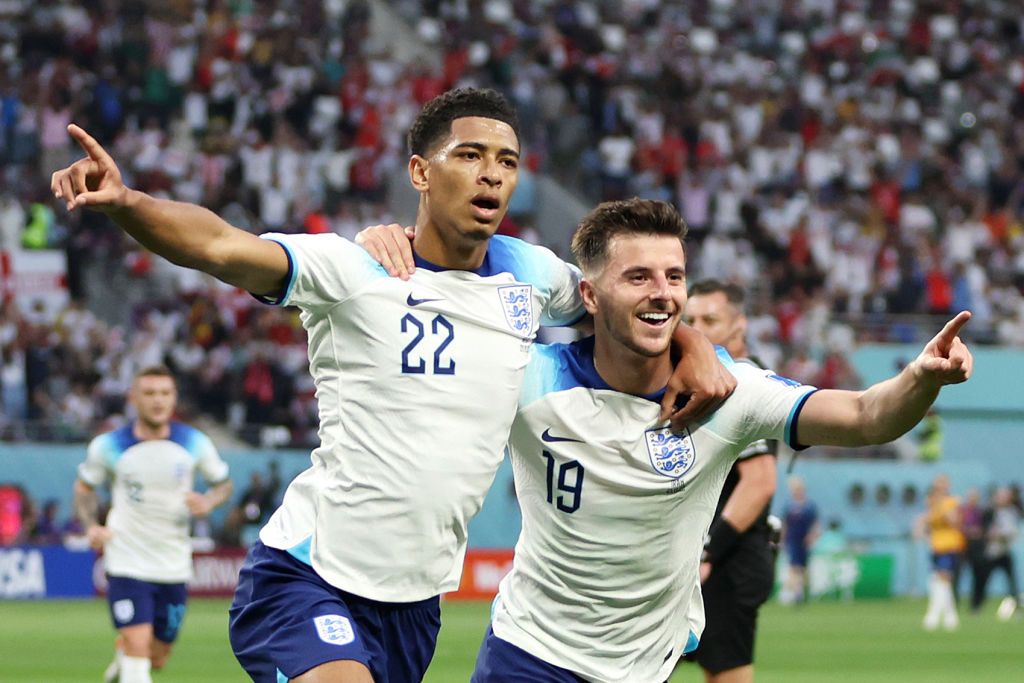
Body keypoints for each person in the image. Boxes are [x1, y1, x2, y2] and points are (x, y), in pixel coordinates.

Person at [52, 88, 732, 682]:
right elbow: (223, 245)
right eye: (469, 155)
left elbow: (624, 301)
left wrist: (695, 341)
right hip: (307, 573)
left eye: (507, 161)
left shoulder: (532, 274)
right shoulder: (354, 269)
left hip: (414, 604)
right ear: (420, 171)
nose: (491, 174)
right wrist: (128, 202)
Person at [468, 198, 974, 683]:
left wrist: (920, 377)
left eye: (674, 276)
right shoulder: (529, 379)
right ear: (591, 295)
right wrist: (393, 248)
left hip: (645, 666)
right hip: (529, 653)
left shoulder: (730, 393)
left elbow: (865, 416)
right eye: (638, 276)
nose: (661, 292)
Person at [74, 366, 232, 683]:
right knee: (138, 644)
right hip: (127, 558)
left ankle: (125, 660)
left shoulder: (194, 442)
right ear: (133, 398)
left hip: (173, 563)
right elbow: (84, 488)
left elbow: (223, 484)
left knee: (156, 656)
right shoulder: (108, 446)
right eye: (149, 393)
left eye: (164, 393)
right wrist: (91, 525)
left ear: (174, 398)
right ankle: (131, 651)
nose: (157, 400)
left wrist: (208, 502)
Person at [680, 279, 778, 683]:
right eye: (690, 319)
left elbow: (759, 482)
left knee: (725, 674)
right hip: (703, 557)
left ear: (740, 326)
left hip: (727, 559)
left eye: (710, 319)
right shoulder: (706, 379)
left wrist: (706, 553)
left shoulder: (743, 384)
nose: (696, 328)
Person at [920, 474, 965, 631]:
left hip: (949, 545)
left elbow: (954, 521)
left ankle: (934, 615)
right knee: (939, 580)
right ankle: (950, 616)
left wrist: (940, 507)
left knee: (943, 579)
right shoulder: (931, 503)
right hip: (936, 546)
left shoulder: (952, 502)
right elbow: (926, 523)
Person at [977, 487, 1020, 619]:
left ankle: (1016, 608)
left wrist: (1002, 535)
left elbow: (1013, 531)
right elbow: (983, 529)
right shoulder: (989, 511)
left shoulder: (1012, 511)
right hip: (991, 552)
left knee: (1011, 582)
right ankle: (977, 606)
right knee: (983, 580)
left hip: (1005, 551)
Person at [780, 475, 820, 605]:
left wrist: (812, 536)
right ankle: (796, 593)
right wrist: (781, 539)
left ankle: (797, 591)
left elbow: (816, 524)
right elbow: (785, 525)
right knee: (794, 566)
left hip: (805, 541)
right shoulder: (789, 506)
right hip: (792, 540)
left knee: (802, 568)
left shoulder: (809, 506)